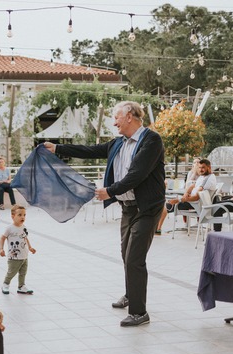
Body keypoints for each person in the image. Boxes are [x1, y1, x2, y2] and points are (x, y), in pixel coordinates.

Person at [44, 100, 165, 327]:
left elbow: (136, 175)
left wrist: (109, 191)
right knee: (125, 254)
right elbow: (91, 150)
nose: (114, 121)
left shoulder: (151, 140)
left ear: (129, 116)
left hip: (148, 208)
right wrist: (58, 148)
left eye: (116, 117)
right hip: (128, 207)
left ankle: (139, 312)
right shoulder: (118, 143)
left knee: (134, 258)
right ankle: (131, 295)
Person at [156, 158, 216, 233]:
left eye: (203, 167)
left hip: (197, 205)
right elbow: (192, 186)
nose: (201, 169)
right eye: (199, 167)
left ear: (209, 167)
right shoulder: (203, 176)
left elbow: (196, 197)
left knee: (165, 206)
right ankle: (157, 228)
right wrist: (186, 194)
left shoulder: (208, 178)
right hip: (192, 202)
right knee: (165, 205)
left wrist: (179, 200)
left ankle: (157, 228)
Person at [0, 205, 36, 295]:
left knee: (23, 272)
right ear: (13, 216)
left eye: (24, 215)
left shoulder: (24, 227)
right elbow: (2, 238)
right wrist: (1, 249)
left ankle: (21, 286)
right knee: (12, 272)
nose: (22, 217)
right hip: (14, 256)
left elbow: (25, 238)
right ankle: (5, 284)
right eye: (19, 215)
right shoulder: (9, 228)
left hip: (24, 255)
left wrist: (30, 247)